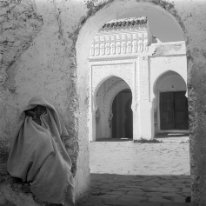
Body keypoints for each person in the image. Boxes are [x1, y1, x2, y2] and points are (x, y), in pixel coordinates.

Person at [7, 97, 75, 206]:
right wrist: (42, 148)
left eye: (43, 109)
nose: (42, 111)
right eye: (39, 108)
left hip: (53, 158)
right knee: (53, 175)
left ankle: (62, 199)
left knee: (65, 173)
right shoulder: (28, 124)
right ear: (33, 109)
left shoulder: (45, 122)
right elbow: (29, 144)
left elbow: (52, 139)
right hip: (39, 161)